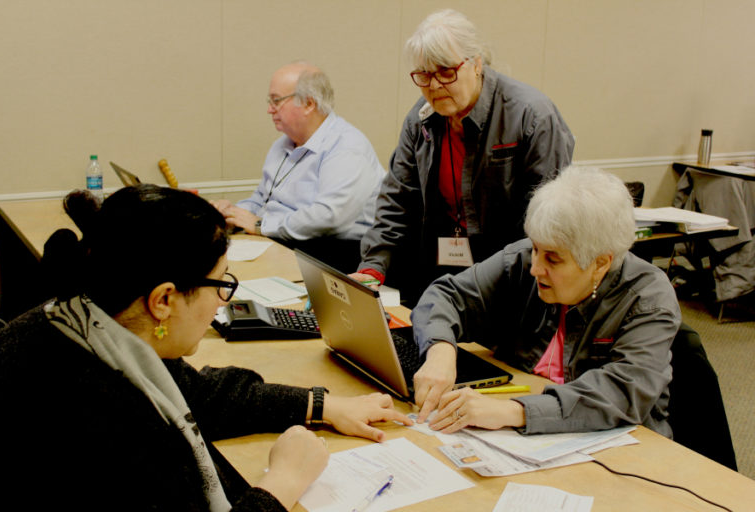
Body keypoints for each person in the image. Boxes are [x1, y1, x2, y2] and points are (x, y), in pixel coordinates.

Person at [0, 185, 411, 511]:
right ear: (164, 300)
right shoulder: (98, 410)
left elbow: (203, 394)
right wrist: (282, 481)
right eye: (221, 283)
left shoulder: (86, 326)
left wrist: (323, 405)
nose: (224, 300)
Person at [411, 167, 681, 438]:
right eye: (536, 249)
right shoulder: (523, 261)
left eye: (553, 259)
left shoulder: (648, 297)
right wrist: (440, 352)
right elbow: (445, 295)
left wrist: (513, 412)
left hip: (627, 446)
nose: (535, 268)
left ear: (600, 263)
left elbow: (623, 392)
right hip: (529, 435)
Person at [352, 9, 575, 302]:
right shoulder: (420, 120)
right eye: (424, 75)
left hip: (512, 281)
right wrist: (372, 268)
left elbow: (544, 224)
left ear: (477, 64)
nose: (433, 86)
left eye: (446, 72)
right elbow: (397, 203)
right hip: (440, 274)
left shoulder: (531, 116)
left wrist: (486, 284)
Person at [212, 61, 384, 273]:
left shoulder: (347, 146)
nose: (269, 110)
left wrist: (260, 226)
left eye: (276, 101)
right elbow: (262, 198)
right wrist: (229, 215)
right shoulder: (282, 144)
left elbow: (328, 217)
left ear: (309, 104)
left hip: (335, 252)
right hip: (282, 241)